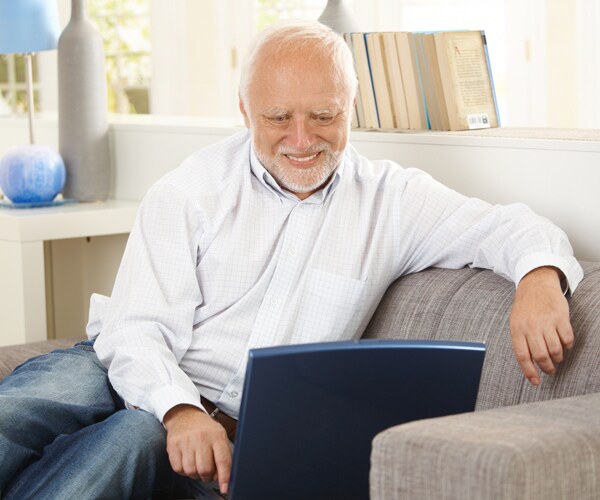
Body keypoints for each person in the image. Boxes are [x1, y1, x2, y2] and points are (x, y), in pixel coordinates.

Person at [0, 20, 583, 499]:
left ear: (350, 107)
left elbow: (509, 227)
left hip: (223, 429)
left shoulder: (392, 201)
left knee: (128, 438)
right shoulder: (191, 191)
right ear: (245, 111)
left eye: (323, 116)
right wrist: (179, 410)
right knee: (23, 409)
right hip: (121, 363)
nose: (302, 140)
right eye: (279, 117)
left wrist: (537, 278)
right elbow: (137, 330)